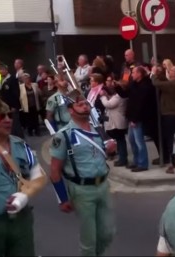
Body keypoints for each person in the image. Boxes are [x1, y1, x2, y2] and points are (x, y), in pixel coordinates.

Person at [49, 89, 116, 256]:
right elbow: (55, 170)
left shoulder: (98, 130)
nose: (85, 107)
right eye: (80, 104)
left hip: (102, 185)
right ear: (70, 110)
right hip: (81, 189)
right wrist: (62, 198)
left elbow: (102, 155)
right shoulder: (63, 135)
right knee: (89, 239)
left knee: (108, 233)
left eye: (86, 104)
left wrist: (111, 150)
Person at [0, 96, 46, 256]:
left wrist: (24, 195)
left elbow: (39, 176)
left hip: (21, 222)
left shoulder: (21, 146)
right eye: (1, 116)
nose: (8, 120)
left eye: (10, 116)